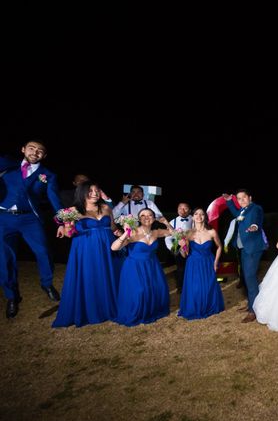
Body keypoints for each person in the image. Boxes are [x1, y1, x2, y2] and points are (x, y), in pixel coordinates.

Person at [0, 139, 62, 319]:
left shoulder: (48, 175)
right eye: (32, 148)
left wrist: (63, 221)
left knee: (43, 251)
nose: (35, 152)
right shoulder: (7, 167)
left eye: (40, 150)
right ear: (23, 149)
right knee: (5, 259)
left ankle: (46, 283)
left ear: (44, 155)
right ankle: (12, 297)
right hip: (3, 218)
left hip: (30, 219)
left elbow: (54, 199)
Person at [52, 181, 121, 327]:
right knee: (90, 276)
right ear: (82, 192)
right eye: (90, 191)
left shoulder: (106, 207)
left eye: (97, 190)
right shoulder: (73, 210)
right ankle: (92, 310)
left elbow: (113, 227)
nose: (95, 193)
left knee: (109, 275)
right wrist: (67, 226)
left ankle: (111, 306)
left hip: (107, 246)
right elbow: (69, 234)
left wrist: (127, 234)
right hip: (86, 249)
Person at [111, 208, 174, 326]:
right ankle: (136, 312)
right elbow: (114, 248)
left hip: (152, 265)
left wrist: (166, 223)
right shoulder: (133, 232)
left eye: (150, 215)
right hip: (134, 266)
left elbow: (173, 233)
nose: (146, 217)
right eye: (143, 215)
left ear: (154, 218)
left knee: (154, 288)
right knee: (139, 290)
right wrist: (125, 234)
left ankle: (151, 309)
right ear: (139, 219)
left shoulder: (156, 232)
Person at [224, 189, 267, 323]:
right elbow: (237, 214)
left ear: (250, 197)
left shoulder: (256, 208)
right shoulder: (242, 211)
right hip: (243, 248)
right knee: (247, 278)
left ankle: (254, 311)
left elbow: (257, 220)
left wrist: (254, 226)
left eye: (244, 197)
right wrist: (229, 201)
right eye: (239, 198)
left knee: (250, 277)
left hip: (253, 248)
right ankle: (251, 304)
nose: (241, 200)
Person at [178, 207, 225, 319]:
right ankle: (195, 307)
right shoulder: (187, 233)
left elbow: (219, 247)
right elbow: (184, 255)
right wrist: (182, 246)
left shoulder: (211, 232)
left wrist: (215, 262)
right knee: (195, 287)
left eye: (202, 214)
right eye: (196, 214)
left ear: (205, 217)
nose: (199, 216)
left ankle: (209, 306)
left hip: (208, 262)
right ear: (193, 217)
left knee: (208, 286)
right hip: (193, 263)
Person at [164, 202, 193, 294]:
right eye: (180, 208)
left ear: (190, 210)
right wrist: (173, 249)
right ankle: (180, 287)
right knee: (180, 268)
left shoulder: (195, 219)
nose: (182, 210)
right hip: (179, 249)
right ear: (177, 210)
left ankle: (193, 285)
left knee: (193, 267)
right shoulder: (172, 222)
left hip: (193, 248)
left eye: (185, 208)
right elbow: (168, 238)